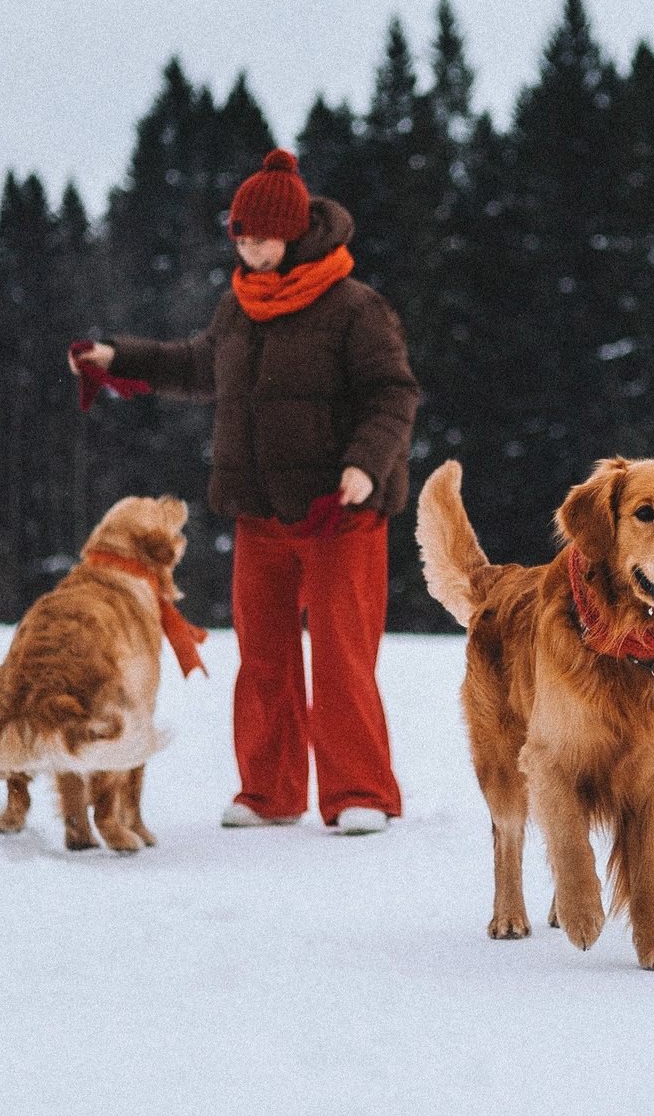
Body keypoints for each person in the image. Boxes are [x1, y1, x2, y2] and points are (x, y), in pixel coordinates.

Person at [72, 149, 418, 835]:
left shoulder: (355, 306)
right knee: (262, 659)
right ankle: (269, 791)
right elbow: (200, 365)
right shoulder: (240, 305)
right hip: (262, 513)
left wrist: (365, 465)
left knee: (343, 657)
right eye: (239, 233)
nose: (249, 244)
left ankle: (360, 792)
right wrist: (122, 357)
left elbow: (393, 394)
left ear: (295, 230)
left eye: (261, 233)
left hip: (339, 513)